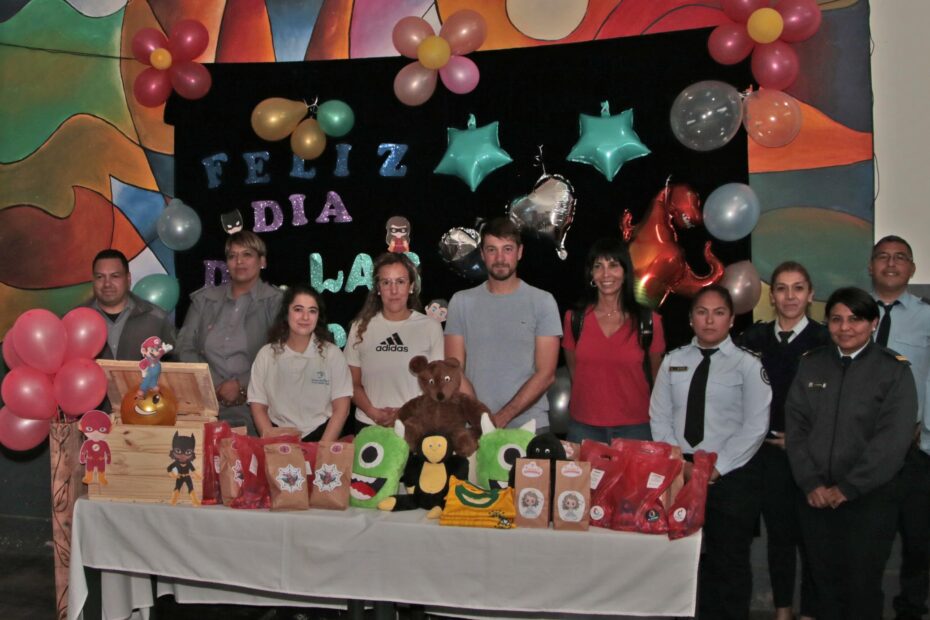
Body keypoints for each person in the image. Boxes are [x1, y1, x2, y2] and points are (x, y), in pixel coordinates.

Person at [786, 286, 917, 620]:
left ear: (873, 323)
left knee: (861, 587)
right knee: (821, 585)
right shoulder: (811, 365)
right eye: (836, 319)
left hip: (869, 499)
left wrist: (849, 488)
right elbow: (796, 430)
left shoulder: (894, 370)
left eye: (855, 319)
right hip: (815, 498)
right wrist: (811, 483)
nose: (845, 327)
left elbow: (893, 440)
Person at [650, 284, 771, 618]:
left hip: (729, 475)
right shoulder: (673, 361)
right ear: (691, 319)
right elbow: (659, 416)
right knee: (679, 559)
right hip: (681, 473)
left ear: (731, 320)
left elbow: (756, 425)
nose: (709, 320)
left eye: (718, 313)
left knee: (728, 562)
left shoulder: (747, 365)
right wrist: (678, 462)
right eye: (702, 312)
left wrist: (717, 468)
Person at [738, 261, 828, 620]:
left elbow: (838, 403)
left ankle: (810, 612)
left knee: (813, 540)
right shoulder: (753, 339)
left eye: (798, 288)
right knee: (779, 538)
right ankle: (782, 611)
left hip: (814, 457)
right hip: (768, 456)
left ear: (811, 295)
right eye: (782, 288)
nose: (790, 296)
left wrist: (806, 440)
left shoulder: (825, 341)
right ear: (772, 296)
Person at [444, 217, 561, 432]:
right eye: (492, 250)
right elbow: (454, 370)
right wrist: (482, 419)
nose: (500, 258)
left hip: (530, 427)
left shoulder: (543, 302)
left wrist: (501, 418)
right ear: (482, 254)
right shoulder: (461, 302)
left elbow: (546, 374)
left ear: (519, 252)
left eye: (507, 249)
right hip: (476, 427)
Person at [866, 236, 930, 620]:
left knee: (919, 545)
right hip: (861, 449)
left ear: (912, 269)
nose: (891, 263)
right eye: (883, 257)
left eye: (900, 257)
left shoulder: (927, 316)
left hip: (913, 452)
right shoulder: (851, 313)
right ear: (870, 266)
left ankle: (911, 612)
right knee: (865, 544)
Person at [176, 231, 283, 434]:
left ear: (262, 261)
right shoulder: (204, 300)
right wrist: (214, 385)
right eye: (232, 256)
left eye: (247, 254)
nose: (239, 261)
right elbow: (184, 348)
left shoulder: (277, 302)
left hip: (259, 407)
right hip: (205, 404)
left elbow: (281, 355)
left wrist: (241, 385)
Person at [562, 238, 665, 443]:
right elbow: (575, 373)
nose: (606, 274)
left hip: (636, 429)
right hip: (584, 428)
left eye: (613, 265)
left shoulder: (649, 321)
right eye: (598, 266)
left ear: (625, 272)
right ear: (591, 275)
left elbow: (657, 379)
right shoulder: (574, 319)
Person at [344, 253, 443, 432]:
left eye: (400, 281)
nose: (394, 290)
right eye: (386, 282)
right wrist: (373, 413)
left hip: (416, 425)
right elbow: (351, 383)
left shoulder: (430, 327)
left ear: (411, 286)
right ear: (378, 288)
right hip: (369, 425)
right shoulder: (359, 327)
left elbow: (438, 384)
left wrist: (405, 413)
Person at [248, 285, 352, 442]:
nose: (305, 317)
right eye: (298, 309)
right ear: (286, 313)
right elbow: (258, 406)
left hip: (322, 437)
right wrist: (273, 444)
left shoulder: (332, 354)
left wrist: (322, 448)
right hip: (278, 438)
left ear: (318, 316)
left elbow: (342, 409)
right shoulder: (266, 355)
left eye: (312, 311)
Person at [84, 249, 176, 360]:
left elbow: (174, 365)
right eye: (100, 277)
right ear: (93, 280)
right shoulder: (76, 320)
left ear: (128, 279)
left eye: (115, 276)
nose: (107, 284)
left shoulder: (156, 319)